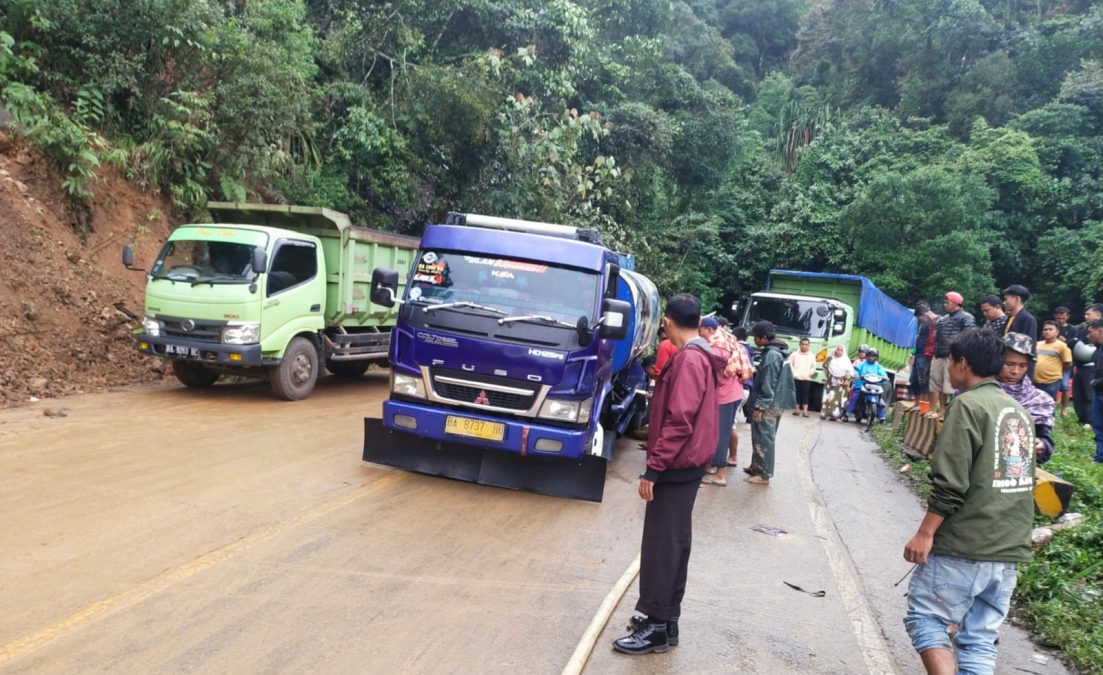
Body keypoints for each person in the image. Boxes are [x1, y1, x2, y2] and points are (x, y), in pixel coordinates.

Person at [903, 328, 1036, 675]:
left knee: (925, 618)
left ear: (962, 362)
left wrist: (925, 533)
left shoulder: (967, 405)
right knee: (978, 639)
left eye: (950, 361)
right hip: (1007, 549)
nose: (948, 369)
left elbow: (950, 483)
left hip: (964, 545)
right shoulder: (1017, 411)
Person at [615, 294, 718, 656]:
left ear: (670, 321)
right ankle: (665, 620)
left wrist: (654, 468)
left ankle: (657, 626)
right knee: (673, 544)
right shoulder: (700, 355)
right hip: (687, 465)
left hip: (677, 466)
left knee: (662, 546)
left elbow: (679, 421)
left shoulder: (690, 359)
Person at [743, 321, 795, 485]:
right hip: (775, 402)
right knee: (759, 435)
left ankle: (764, 474)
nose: (754, 341)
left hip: (769, 404)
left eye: (756, 338)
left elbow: (769, 383)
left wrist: (761, 406)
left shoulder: (772, 355)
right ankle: (756, 466)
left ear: (764, 338)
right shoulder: (776, 352)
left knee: (764, 437)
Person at [697, 317, 742, 487]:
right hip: (730, 392)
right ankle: (709, 467)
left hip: (726, 394)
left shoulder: (718, 346)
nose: (699, 334)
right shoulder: (725, 338)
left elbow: (714, 368)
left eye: (700, 330)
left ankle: (720, 474)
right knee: (716, 431)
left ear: (708, 329)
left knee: (721, 434)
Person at [998, 333, 1055, 464]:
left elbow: (1045, 438)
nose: (1015, 371)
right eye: (1009, 364)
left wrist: (1042, 445)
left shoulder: (1039, 400)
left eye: (1022, 366)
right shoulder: (978, 391)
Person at [929, 292, 976, 417]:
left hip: (953, 356)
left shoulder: (966, 317)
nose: (945, 305)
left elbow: (968, 336)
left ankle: (947, 412)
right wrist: (935, 352)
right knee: (936, 383)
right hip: (939, 354)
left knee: (949, 386)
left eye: (947, 302)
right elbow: (937, 338)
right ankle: (939, 411)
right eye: (944, 302)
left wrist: (959, 354)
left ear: (956, 303)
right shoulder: (942, 320)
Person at [1068, 304, 1103, 426]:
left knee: (1090, 394)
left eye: (1089, 314)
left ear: (1098, 314)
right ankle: (1082, 418)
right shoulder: (1082, 329)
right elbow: (1073, 341)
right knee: (1078, 393)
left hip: (1092, 368)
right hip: (1079, 365)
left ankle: (1089, 420)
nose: (1085, 316)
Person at [846, 348, 889, 423]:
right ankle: (847, 413)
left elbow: (882, 373)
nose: (871, 358)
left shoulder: (877, 366)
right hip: (861, 384)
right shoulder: (862, 364)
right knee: (855, 397)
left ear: (876, 357)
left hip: (874, 385)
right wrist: (856, 375)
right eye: (869, 356)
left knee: (879, 399)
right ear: (866, 356)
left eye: (873, 356)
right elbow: (856, 370)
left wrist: (885, 377)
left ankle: (881, 416)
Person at [1033, 320, 1072, 402]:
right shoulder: (1037, 344)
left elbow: (1067, 363)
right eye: (1045, 329)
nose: (1047, 331)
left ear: (1057, 332)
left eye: (1050, 329)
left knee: (1048, 404)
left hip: (1051, 381)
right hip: (1035, 380)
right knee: (1035, 404)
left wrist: (1057, 372)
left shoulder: (1063, 346)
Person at [910, 302, 938, 405]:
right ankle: (917, 404)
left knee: (923, 380)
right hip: (918, 354)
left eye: (919, 317)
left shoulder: (934, 321)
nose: (918, 319)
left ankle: (924, 405)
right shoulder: (922, 324)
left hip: (926, 354)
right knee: (914, 380)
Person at [821, 345, 853, 421]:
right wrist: (829, 376)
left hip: (841, 382)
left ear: (843, 351)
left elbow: (850, 372)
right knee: (828, 397)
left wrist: (845, 379)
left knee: (838, 399)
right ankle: (825, 414)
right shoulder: (830, 359)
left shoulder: (846, 360)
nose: (839, 351)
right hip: (830, 381)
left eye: (841, 350)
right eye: (838, 350)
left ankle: (836, 415)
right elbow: (825, 367)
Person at [787, 337, 817, 417]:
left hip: (806, 378)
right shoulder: (794, 354)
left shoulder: (811, 356)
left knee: (805, 394)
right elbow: (789, 364)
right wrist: (793, 373)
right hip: (796, 377)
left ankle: (805, 411)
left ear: (809, 345)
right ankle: (796, 410)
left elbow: (813, 366)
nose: (804, 346)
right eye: (802, 344)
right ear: (800, 345)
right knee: (796, 394)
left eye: (806, 345)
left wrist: (810, 373)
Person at [1088, 318, 1103, 464]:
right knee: (1098, 426)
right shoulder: (1097, 351)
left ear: (1100, 331)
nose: (1088, 335)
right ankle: (1100, 457)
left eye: (1090, 332)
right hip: (1098, 392)